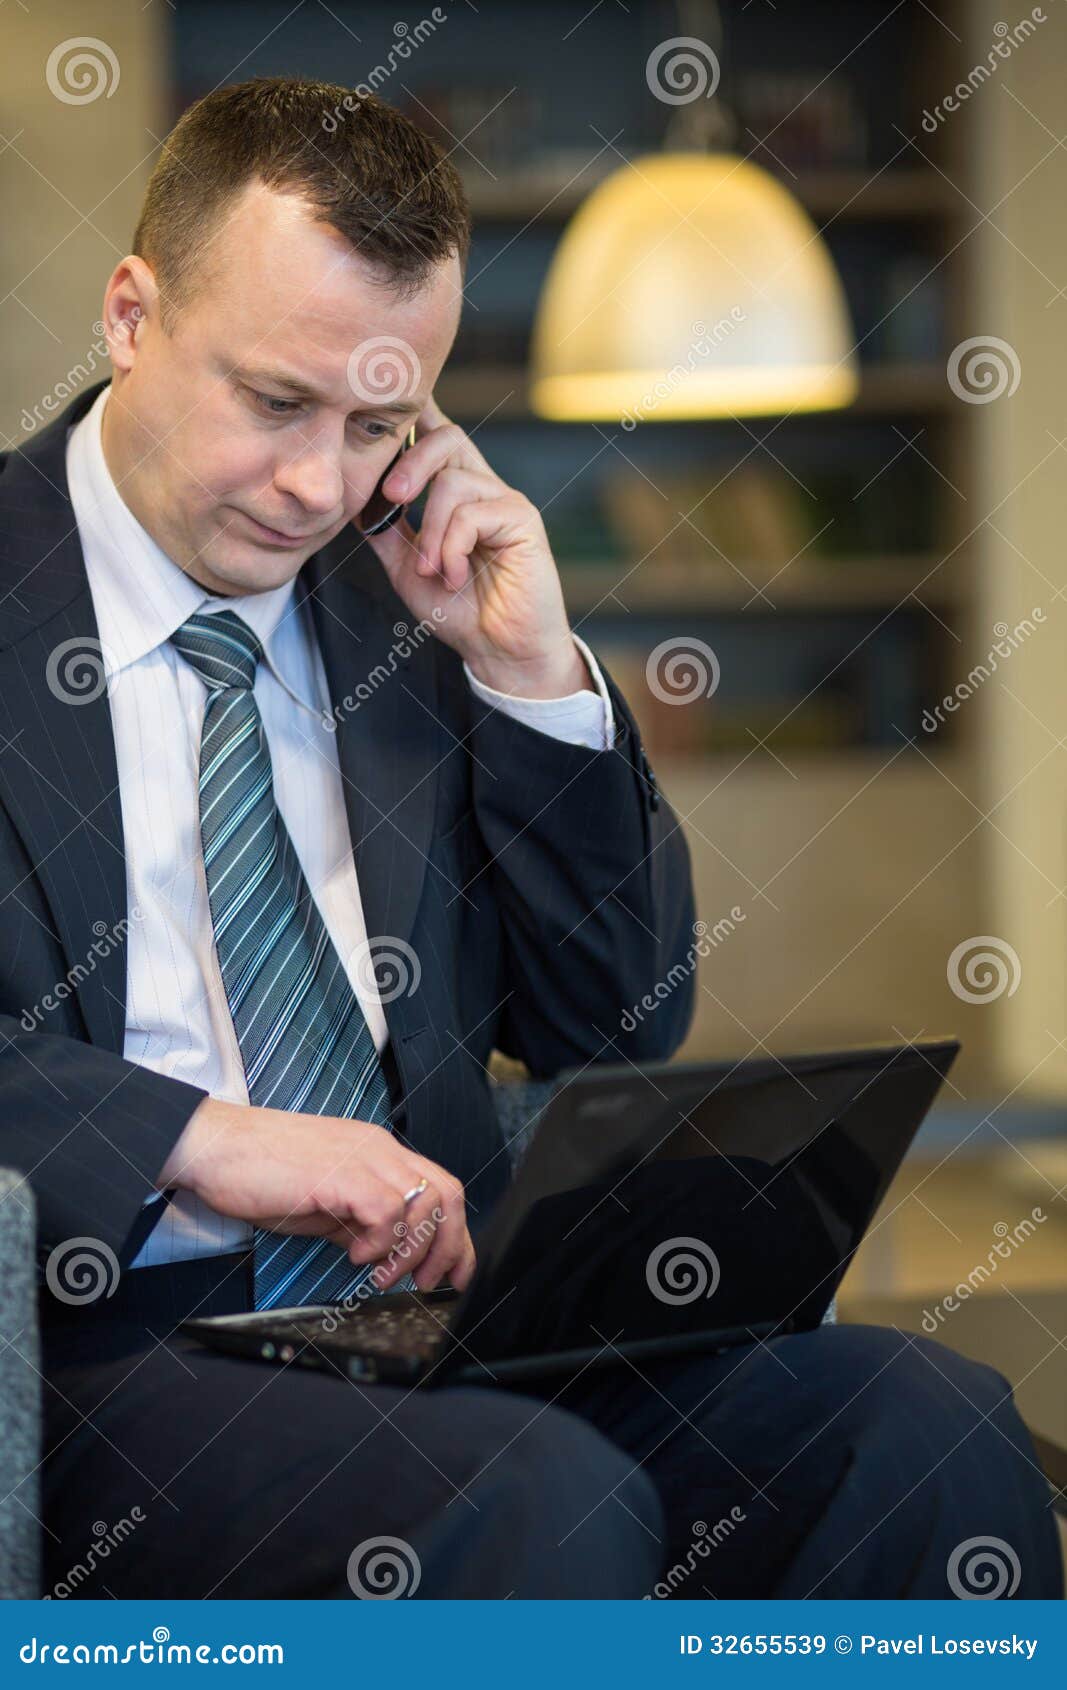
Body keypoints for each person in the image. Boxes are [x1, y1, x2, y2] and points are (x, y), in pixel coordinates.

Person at [1, 76, 1059, 1601]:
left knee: (923, 1426)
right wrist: (204, 1137)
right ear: (129, 315)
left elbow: (613, 1013)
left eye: (379, 422)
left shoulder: (407, 609)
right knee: (534, 1501)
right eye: (275, 401)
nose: (318, 485)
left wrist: (533, 673)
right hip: (111, 1341)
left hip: (443, 1318)